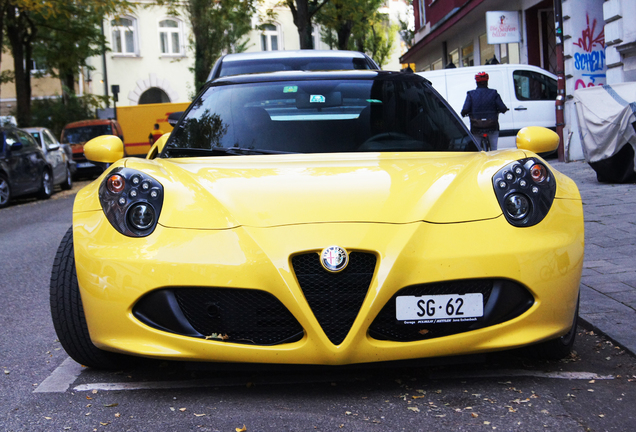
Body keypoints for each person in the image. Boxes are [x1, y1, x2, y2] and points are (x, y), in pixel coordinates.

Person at [461, 72, 508, 150]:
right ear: (487, 82)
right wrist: (504, 110)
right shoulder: (494, 93)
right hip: (492, 126)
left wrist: (463, 113)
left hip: (476, 127)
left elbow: (465, 109)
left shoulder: (471, 94)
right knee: (493, 148)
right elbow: (502, 108)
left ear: (476, 82)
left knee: (477, 149)